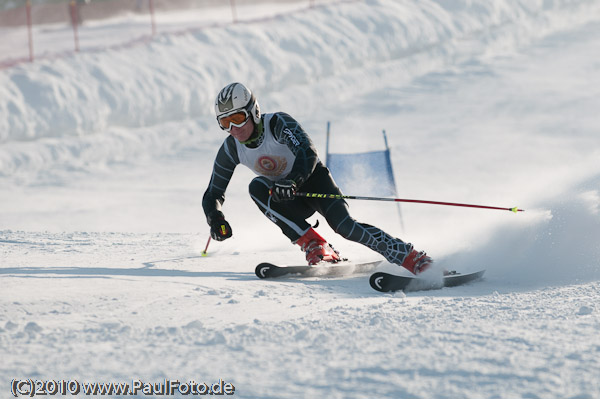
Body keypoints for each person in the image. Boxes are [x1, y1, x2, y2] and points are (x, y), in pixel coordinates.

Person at [202, 82, 432, 274]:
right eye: (225, 122)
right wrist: (215, 218)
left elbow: (307, 152)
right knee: (257, 187)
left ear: (254, 111)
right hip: (287, 199)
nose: (233, 127)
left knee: (345, 227)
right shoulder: (231, 148)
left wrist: (293, 180)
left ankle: (410, 257)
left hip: (314, 182)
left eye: (239, 117)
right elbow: (213, 192)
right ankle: (316, 245)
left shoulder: (278, 124)